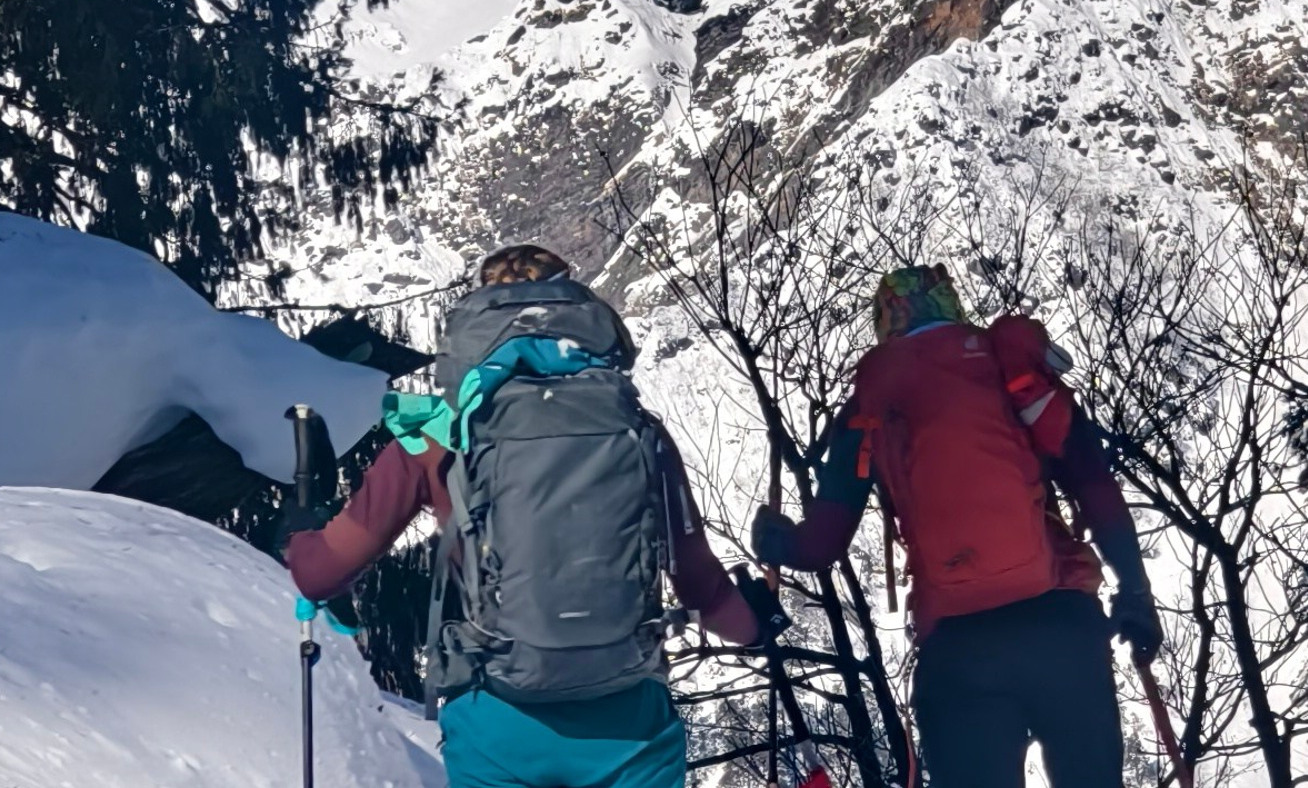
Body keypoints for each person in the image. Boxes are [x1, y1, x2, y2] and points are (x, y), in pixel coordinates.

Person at [285, 243, 765, 788]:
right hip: (629, 724)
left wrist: (301, 531)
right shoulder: (640, 432)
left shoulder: (437, 436)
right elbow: (704, 589)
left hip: (497, 720)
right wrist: (757, 625)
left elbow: (321, 573)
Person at [750, 262, 1161, 788]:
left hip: (958, 649)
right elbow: (1093, 483)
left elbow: (820, 546)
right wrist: (1134, 590)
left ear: (886, 322)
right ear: (953, 306)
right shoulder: (1010, 366)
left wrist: (776, 540)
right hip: (1062, 625)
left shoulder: (872, 400)